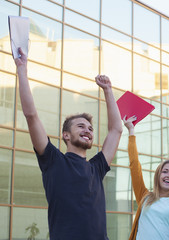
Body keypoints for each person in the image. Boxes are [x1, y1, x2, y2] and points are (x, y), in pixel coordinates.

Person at [14, 48, 123, 239]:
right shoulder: (53, 160)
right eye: (81, 126)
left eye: (90, 129)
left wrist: (108, 90)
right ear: (65, 135)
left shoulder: (96, 167)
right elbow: (31, 116)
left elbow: (116, 130)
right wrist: (22, 70)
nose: (87, 131)